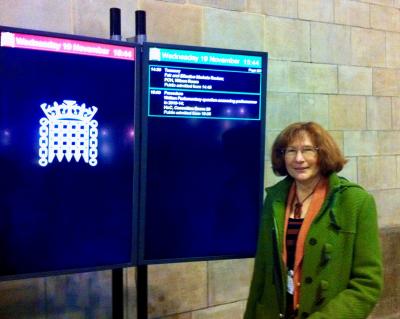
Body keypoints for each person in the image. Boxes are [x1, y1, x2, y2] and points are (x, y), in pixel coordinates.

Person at [244, 122, 383, 319]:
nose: (298, 159)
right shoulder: (274, 199)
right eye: (291, 150)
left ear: (323, 153)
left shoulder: (356, 202)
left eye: (308, 150)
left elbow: (367, 284)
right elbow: (261, 274)